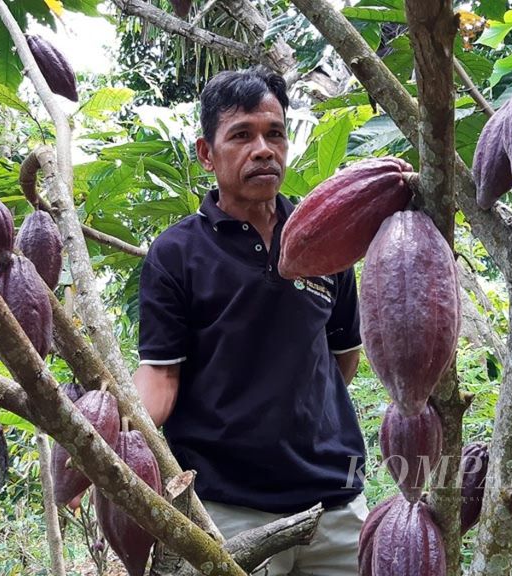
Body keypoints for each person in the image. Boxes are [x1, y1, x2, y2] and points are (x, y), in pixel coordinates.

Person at [134, 67, 369, 575]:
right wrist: (109, 430)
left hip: (334, 504)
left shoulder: (325, 236)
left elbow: (343, 354)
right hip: (226, 508)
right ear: (206, 153)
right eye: (241, 135)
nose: (263, 149)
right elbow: (160, 377)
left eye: (275, 133)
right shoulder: (176, 254)